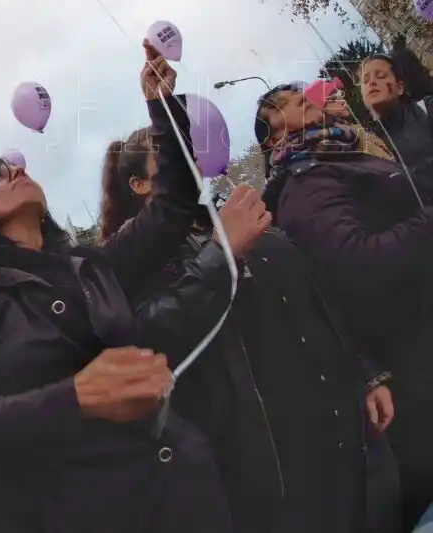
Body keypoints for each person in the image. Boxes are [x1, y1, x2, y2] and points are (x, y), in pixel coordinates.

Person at [0, 44, 232, 533]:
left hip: (178, 494)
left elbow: (172, 206)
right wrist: (76, 398)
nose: (17, 169)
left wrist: (163, 110)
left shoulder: (91, 264)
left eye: (16, 167)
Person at [100, 125, 396, 533]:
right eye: (167, 156)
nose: (185, 161)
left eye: (184, 150)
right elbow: (156, 335)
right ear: (138, 183)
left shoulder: (227, 215)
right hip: (273, 467)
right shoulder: (134, 262)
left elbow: (313, 296)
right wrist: (222, 255)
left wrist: (366, 374)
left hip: (338, 433)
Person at [259, 83, 433, 530]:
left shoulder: (339, 153)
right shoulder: (304, 181)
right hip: (413, 359)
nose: (311, 102)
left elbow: (406, 189)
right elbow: (359, 262)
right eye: (297, 104)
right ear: (275, 137)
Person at [356, 51, 433, 202]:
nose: (371, 82)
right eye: (365, 80)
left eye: (381, 76)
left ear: (399, 88)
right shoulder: (365, 143)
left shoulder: (426, 108)